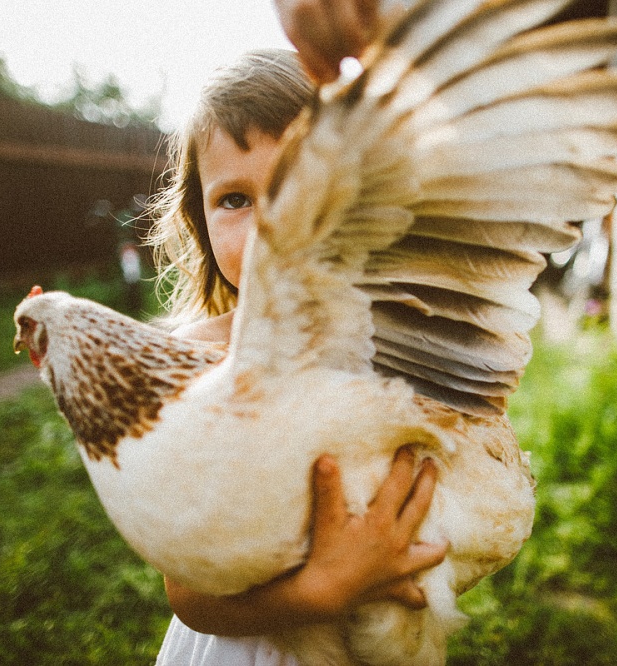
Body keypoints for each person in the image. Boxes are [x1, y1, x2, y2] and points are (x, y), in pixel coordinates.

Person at [148, 48, 447, 665]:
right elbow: (187, 593)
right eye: (235, 199)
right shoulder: (196, 366)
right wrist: (322, 591)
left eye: (298, 187)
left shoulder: (389, 342)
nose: (270, 227)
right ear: (200, 224)